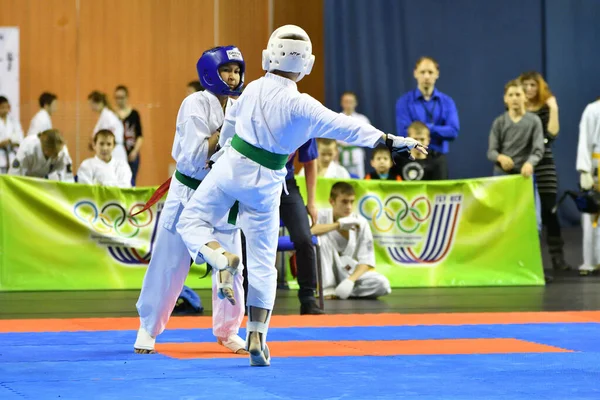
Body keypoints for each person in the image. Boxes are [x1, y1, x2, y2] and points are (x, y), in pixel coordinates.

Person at [176, 25, 425, 367]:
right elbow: (347, 126)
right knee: (263, 265)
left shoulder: (249, 90)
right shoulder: (303, 105)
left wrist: (216, 158)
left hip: (231, 169)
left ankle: (218, 258)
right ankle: (257, 336)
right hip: (268, 186)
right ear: (306, 64)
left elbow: (229, 128)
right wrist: (389, 140)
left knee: (190, 221)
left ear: (268, 56)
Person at [134, 46, 248, 355]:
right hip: (189, 192)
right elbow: (194, 156)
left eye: (237, 71)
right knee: (169, 264)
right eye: (227, 70)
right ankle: (148, 327)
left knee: (231, 266)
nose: (234, 77)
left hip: (224, 196)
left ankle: (229, 330)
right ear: (210, 73)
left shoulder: (241, 106)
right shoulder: (194, 104)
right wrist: (228, 128)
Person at [487, 80, 547, 280]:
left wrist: (530, 163)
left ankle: (531, 267)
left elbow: (539, 148)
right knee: (504, 224)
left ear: (525, 98)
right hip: (503, 178)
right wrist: (501, 157)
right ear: (505, 99)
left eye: (518, 95)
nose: (515, 99)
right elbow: (491, 151)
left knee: (534, 223)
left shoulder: (534, 122)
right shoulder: (499, 122)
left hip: (525, 178)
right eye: (511, 95)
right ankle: (505, 267)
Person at [519, 72, 570, 271]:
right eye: (526, 85)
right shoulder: (517, 108)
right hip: (523, 164)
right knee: (526, 213)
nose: (529, 89)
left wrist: (554, 108)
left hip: (544, 163)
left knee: (549, 210)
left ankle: (557, 256)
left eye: (533, 85)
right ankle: (530, 257)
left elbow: (552, 134)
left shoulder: (545, 109)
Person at [310, 182, 392, 299]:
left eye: (351, 202)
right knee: (320, 239)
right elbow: (310, 231)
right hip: (323, 273)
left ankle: (341, 291)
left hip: (348, 271)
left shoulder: (360, 222)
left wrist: (350, 281)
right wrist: (338, 225)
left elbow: (366, 260)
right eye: (344, 201)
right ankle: (327, 289)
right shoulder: (320, 215)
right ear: (332, 202)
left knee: (383, 284)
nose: (348, 206)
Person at [395, 56, 459, 179]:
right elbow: (404, 132)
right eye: (422, 72)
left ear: (437, 74)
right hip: (412, 157)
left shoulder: (447, 102)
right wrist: (437, 130)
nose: (426, 76)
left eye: (430, 72)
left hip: (438, 159)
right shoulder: (404, 102)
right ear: (415, 73)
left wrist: (424, 129)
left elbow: (453, 131)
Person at [280, 139, 323, 315]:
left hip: (287, 187)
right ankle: (244, 299)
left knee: (304, 238)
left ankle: (308, 299)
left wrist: (311, 202)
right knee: (247, 241)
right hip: (256, 184)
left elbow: (310, 162)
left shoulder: (303, 122)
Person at [576, 98, 600, 275]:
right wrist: (585, 170)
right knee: (593, 214)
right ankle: (591, 261)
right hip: (597, 166)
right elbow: (584, 139)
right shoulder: (593, 109)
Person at [8, 129, 73, 182]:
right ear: (46, 150)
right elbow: (13, 177)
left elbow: (68, 178)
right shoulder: (28, 149)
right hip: (26, 179)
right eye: (55, 153)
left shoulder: (62, 151)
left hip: (46, 182)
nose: (57, 155)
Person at [114, 85, 143, 186]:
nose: (119, 100)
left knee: (131, 180)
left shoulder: (134, 114)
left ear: (127, 97)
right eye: (117, 97)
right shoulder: (112, 114)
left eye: (122, 97)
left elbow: (139, 135)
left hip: (131, 153)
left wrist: (135, 151)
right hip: (116, 153)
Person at [88, 91, 127, 162]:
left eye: (91, 104)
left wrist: (94, 142)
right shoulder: (105, 115)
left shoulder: (107, 116)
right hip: (112, 150)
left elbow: (106, 136)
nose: (91, 107)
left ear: (97, 103)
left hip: (114, 152)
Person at [338, 91, 369, 178]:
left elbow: (367, 137)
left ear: (355, 103)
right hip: (340, 153)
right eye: (346, 102)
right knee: (341, 177)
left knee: (359, 178)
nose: (348, 104)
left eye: (350, 102)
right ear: (341, 103)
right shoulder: (337, 118)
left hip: (356, 152)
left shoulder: (362, 119)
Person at [0, 96, 23, 174]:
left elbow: (20, 136)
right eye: (2, 107)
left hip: (11, 156)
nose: (5, 110)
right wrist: (1, 143)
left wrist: (11, 141)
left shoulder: (13, 120)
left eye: (7, 107)